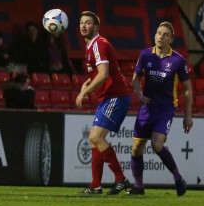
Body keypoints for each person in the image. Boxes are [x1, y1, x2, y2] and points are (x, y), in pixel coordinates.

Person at [128, 22, 192, 196]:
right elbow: (135, 79)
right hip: (147, 108)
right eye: (158, 33)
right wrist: (139, 94)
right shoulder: (145, 54)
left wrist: (188, 116)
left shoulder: (178, 60)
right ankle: (139, 187)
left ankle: (178, 178)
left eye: (165, 35)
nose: (161, 37)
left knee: (157, 144)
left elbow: (187, 90)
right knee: (136, 148)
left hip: (165, 109)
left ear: (171, 39)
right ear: (154, 35)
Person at [75, 11, 133, 195]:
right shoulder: (91, 46)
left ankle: (121, 179)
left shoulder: (99, 44)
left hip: (115, 96)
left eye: (88, 23)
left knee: (95, 137)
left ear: (96, 27)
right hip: (108, 97)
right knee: (94, 140)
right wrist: (89, 82)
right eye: (82, 22)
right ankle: (95, 185)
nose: (84, 25)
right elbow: (98, 73)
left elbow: (104, 74)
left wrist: (85, 91)